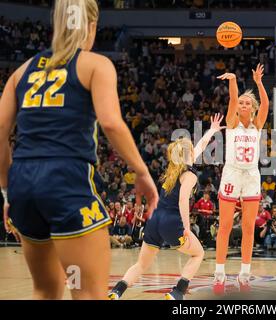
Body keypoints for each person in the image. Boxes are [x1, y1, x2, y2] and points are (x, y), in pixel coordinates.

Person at [0, 0, 158, 300]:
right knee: (85, 293)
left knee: (45, 290)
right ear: (92, 25)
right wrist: (142, 171)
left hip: (24, 185)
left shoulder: (21, 72)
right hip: (67, 182)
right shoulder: (95, 64)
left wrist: (8, 192)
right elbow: (111, 123)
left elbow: (0, 132)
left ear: (57, 23)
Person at [109, 114, 225, 300]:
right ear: (188, 154)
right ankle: (177, 293)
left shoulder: (173, 169)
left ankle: (116, 292)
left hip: (154, 221)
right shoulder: (190, 176)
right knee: (198, 254)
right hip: (172, 222)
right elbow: (182, 201)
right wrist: (186, 227)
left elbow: (200, 147)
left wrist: (212, 130)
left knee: (141, 264)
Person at [214, 63, 269, 294]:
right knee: (225, 225)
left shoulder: (257, 124)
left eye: (248, 103)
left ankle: (244, 275)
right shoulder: (233, 122)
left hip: (251, 176)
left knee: (248, 227)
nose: (243, 104)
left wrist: (258, 83)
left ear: (253, 108)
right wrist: (234, 80)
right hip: (232, 173)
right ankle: (219, 276)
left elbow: (266, 103)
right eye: (241, 102)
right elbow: (232, 98)